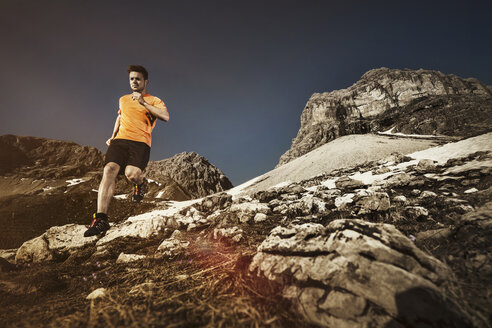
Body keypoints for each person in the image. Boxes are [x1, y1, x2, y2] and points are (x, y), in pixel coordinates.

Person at [84, 65, 170, 237]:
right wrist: (113, 135)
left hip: (140, 143)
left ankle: (140, 184)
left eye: (138, 78)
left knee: (132, 174)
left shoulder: (154, 100)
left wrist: (143, 102)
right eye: (131, 79)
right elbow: (120, 116)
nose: (134, 81)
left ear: (145, 81)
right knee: (109, 170)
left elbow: (165, 117)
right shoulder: (123, 99)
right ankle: (101, 219)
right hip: (120, 140)